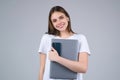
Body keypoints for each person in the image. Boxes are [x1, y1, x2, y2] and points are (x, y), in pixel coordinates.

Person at [38, 6, 90, 80]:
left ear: (67, 18)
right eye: (54, 20)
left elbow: (83, 68)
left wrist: (58, 59)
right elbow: (42, 68)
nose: (59, 22)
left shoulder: (80, 38)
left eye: (61, 17)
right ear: (52, 24)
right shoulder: (46, 38)